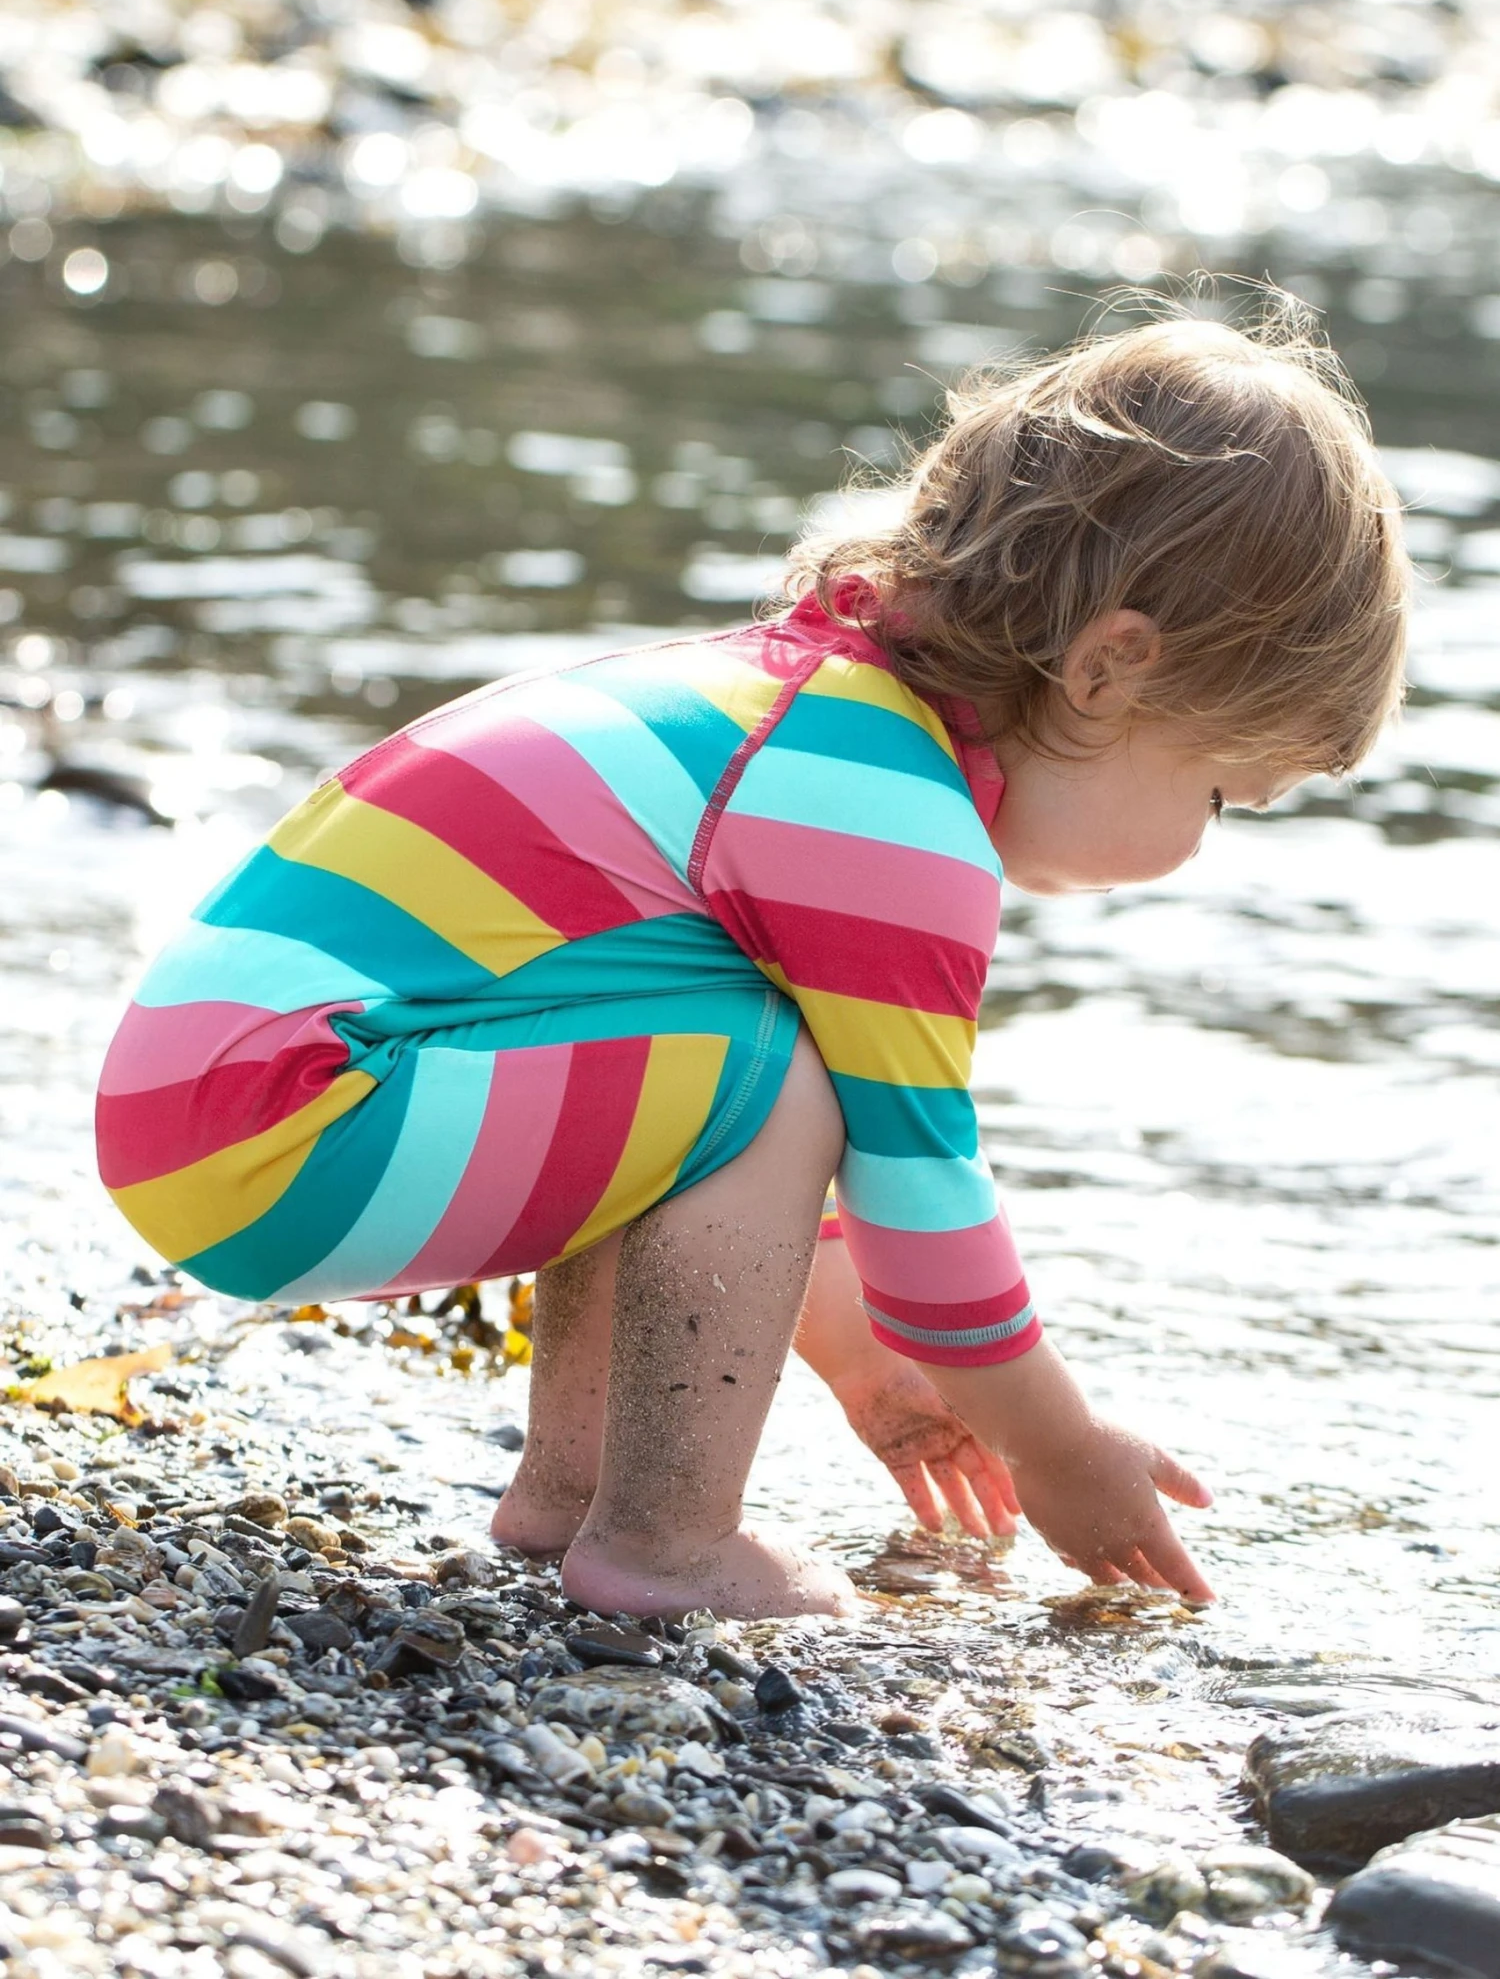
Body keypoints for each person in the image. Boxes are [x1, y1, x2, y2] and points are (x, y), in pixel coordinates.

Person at [95, 307, 1409, 1621]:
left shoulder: (817, 715)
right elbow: (917, 1182)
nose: (1200, 842)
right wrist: (1058, 1450)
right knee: (775, 1071)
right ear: (1113, 668)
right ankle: (662, 1539)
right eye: (1227, 792)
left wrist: (864, 1359)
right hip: (285, 1121)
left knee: (739, 1050)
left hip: (222, 1105)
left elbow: (672, 1128)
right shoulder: (887, 804)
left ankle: (576, 1493)